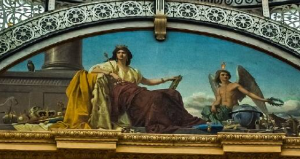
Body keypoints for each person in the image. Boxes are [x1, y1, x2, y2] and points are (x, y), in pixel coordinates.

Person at [61, 45, 203, 133]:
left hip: (136, 92)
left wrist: (167, 79)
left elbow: (148, 82)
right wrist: (110, 73)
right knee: (155, 98)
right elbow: (93, 70)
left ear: (128, 55)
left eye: (124, 53)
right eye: (119, 53)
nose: (121, 55)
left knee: (171, 93)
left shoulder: (134, 71)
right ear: (115, 55)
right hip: (122, 95)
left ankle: (178, 120)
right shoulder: (111, 65)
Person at [203, 67, 275, 123]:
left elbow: (248, 93)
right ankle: (217, 124)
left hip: (232, 109)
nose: (225, 76)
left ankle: (218, 123)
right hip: (222, 109)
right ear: (219, 77)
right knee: (206, 108)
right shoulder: (219, 89)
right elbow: (218, 100)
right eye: (223, 75)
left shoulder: (235, 85)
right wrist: (213, 105)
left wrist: (263, 100)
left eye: (227, 75)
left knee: (221, 113)